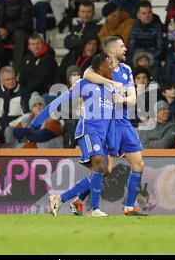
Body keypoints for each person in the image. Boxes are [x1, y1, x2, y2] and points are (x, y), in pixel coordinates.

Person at [33, 53, 115, 216]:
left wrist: (112, 140)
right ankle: (95, 209)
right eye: (109, 64)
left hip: (102, 134)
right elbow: (59, 100)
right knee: (98, 161)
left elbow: (111, 115)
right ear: (99, 67)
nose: (112, 67)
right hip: (88, 129)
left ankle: (63, 199)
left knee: (102, 170)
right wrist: (38, 119)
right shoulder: (84, 84)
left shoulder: (110, 88)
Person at [84, 35, 147, 216]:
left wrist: (122, 99)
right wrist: (110, 83)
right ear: (112, 50)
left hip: (123, 122)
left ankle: (129, 207)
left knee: (138, 163)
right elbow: (86, 75)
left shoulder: (126, 69)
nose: (126, 48)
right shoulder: (101, 67)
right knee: (104, 168)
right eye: (122, 46)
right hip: (106, 122)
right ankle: (84, 203)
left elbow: (133, 99)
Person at [0, 0, 33, 75]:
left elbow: (25, 21)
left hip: (23, 31)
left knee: (19, 34)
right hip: (6, 32)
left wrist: (7, 29)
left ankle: (17, 71)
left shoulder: (24, 0)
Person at [0, 66, 25, 146]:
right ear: (2, 81)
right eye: (8, 79)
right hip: (0, 128)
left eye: (13, 78)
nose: (11, 81)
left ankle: (7, 154)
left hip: (14, 128)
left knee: (8, 130)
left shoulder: (23, 92)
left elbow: (27, 115)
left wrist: (10, 125)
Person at [20, 33, 57, 108]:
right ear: (29, 47)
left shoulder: (48, 58)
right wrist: (22, 90)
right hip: (30, 92)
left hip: (44, 93)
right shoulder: (26, 59)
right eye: (33, 44)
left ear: (42, 44)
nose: (36, 47)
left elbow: (42, 80)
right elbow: (22, 77)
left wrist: (26, 91)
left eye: (38, 44)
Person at [128, 0, 165, 66]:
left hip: (154, 59)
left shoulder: (158, 27)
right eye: (144, 13)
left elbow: (160, 48)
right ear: (138, 15)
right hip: (137, 60)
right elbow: (131, 48)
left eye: (149, 13)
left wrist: (148, 59)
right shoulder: (134, 28)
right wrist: (140, 59)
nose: (147, 16)